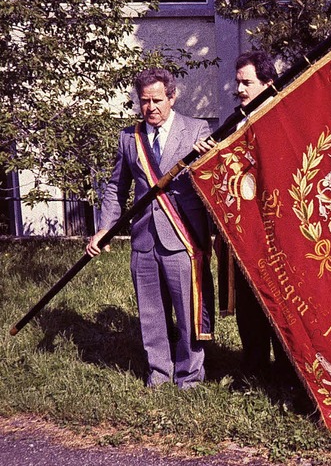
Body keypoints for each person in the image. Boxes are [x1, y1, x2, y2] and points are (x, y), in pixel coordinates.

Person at [86, 68, 215, 390]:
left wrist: (207, 159)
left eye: (157, 100)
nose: (151, 108)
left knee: (188, 313)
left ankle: (189, 377)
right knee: (151, 313)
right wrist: (105, 229)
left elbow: (215, 178)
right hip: (144, 238)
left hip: (183, 237)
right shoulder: (129, 137)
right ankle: (158, 373)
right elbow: (116, 188)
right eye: (144, 102)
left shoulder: (197, 130)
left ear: (173, 97)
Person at [196, 51, 292, 384]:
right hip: (243, 232)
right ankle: (253, 368)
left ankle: (286, 371)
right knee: (250, 302)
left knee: (279, 301)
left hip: (277, 231)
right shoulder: (236, 121)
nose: (240, 89)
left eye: (247, 82)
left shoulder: (281, 117)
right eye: (237, 82)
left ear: (269, 83)